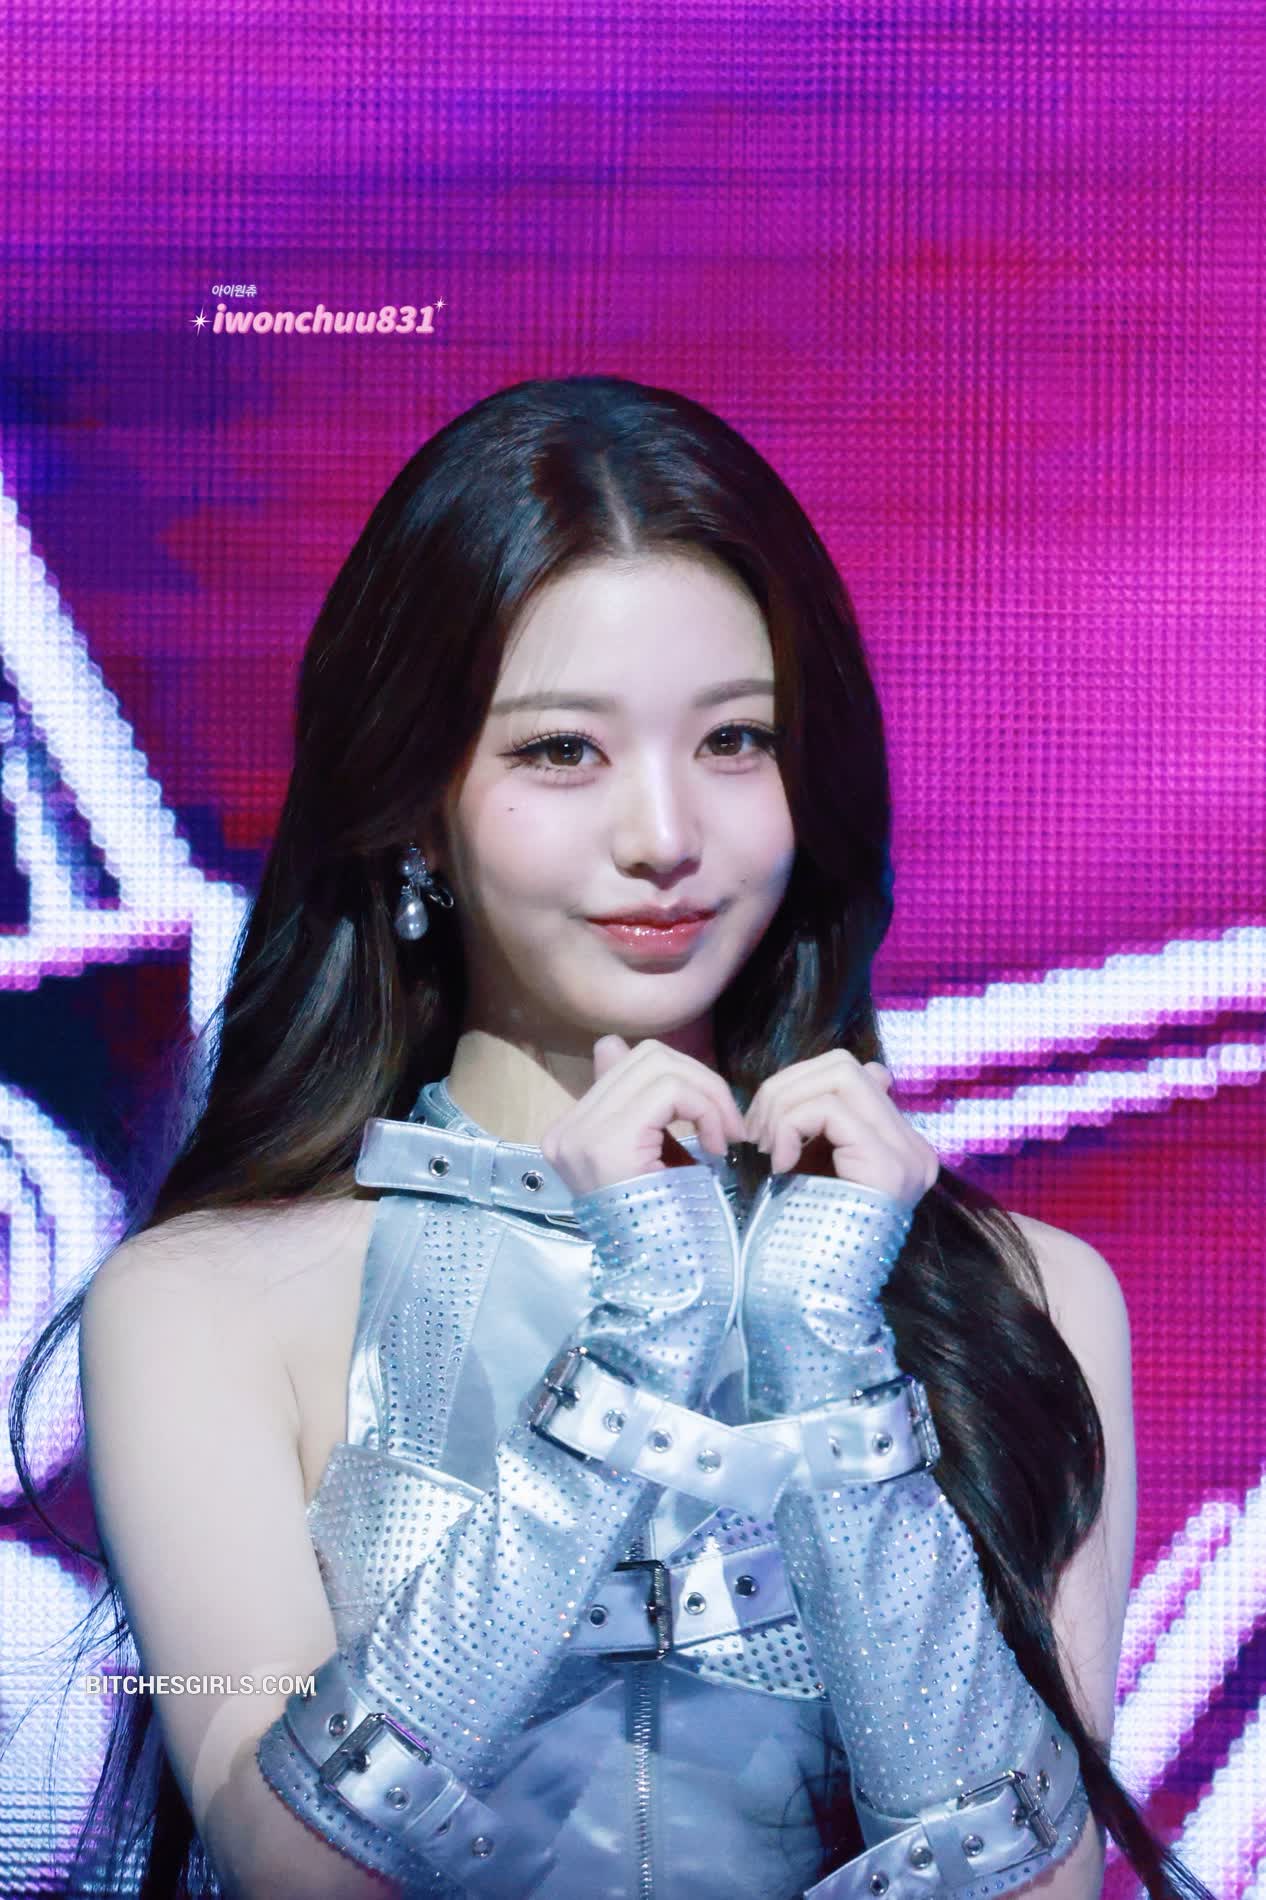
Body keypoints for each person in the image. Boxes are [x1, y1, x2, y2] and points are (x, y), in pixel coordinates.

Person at [9, 374, 1212, 1900]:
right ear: (414, 809)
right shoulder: (204, 1304)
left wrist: (827, 1360)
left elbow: (1035, 1890)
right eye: (560, 752)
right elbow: (297, 1870)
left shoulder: (1017, 1295)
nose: (663, 835)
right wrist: (633, 1367)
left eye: (735, 741)